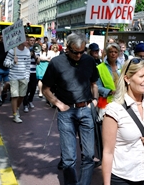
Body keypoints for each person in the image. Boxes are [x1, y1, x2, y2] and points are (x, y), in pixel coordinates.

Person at [41, 33, 99, 185]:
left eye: (82, 51)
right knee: (68, 159)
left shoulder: (89, 60)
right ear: (67, 49)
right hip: (66, 113)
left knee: (89, 155)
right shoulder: (56, 63)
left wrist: (94, 100)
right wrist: (58, 104)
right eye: (75, 52)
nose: (79, 55)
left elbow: (94, 83)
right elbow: (45, 89)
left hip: (86, 109)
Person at [102, 58, 144, 184]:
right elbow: (107, 152)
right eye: (141, 76)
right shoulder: (114, 109)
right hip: (122, 177)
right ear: (127, 79)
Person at [3, 37, 31, 123]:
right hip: (14, 77)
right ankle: (15, 115)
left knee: (22, 96)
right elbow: (5, 63)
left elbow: (28, 65)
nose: (27, 41)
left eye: (27, 40)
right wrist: (12, 62)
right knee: (14, 96)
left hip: (24, 77)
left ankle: (17, 108)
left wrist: (27, 77)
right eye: (26, 40)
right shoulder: (12, 51)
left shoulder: (27, 51)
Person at [23, 36, 39, 112]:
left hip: (33, 72)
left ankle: (30, 100)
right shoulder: (25, 49)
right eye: (31, 40)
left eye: (33, 40)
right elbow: (24, 60)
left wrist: (36, 56)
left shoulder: (36, 49)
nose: (32, 41)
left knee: (33, 89)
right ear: (28, 41)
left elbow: (38, 62)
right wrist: (30, 54)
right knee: (26, 89)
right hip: (26, 72)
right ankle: (25, 104)